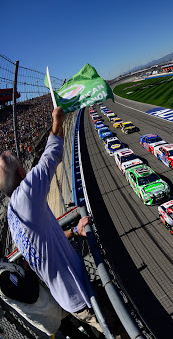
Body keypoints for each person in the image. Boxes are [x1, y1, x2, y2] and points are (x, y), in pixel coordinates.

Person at [0, 106, 104, 337]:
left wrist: (74, 232)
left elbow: (44, 246)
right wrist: (57, 120)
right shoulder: (25, 193)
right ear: (20, 174)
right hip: (81, 295)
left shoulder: (12, 216)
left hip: (69, 300)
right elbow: (53, 153)